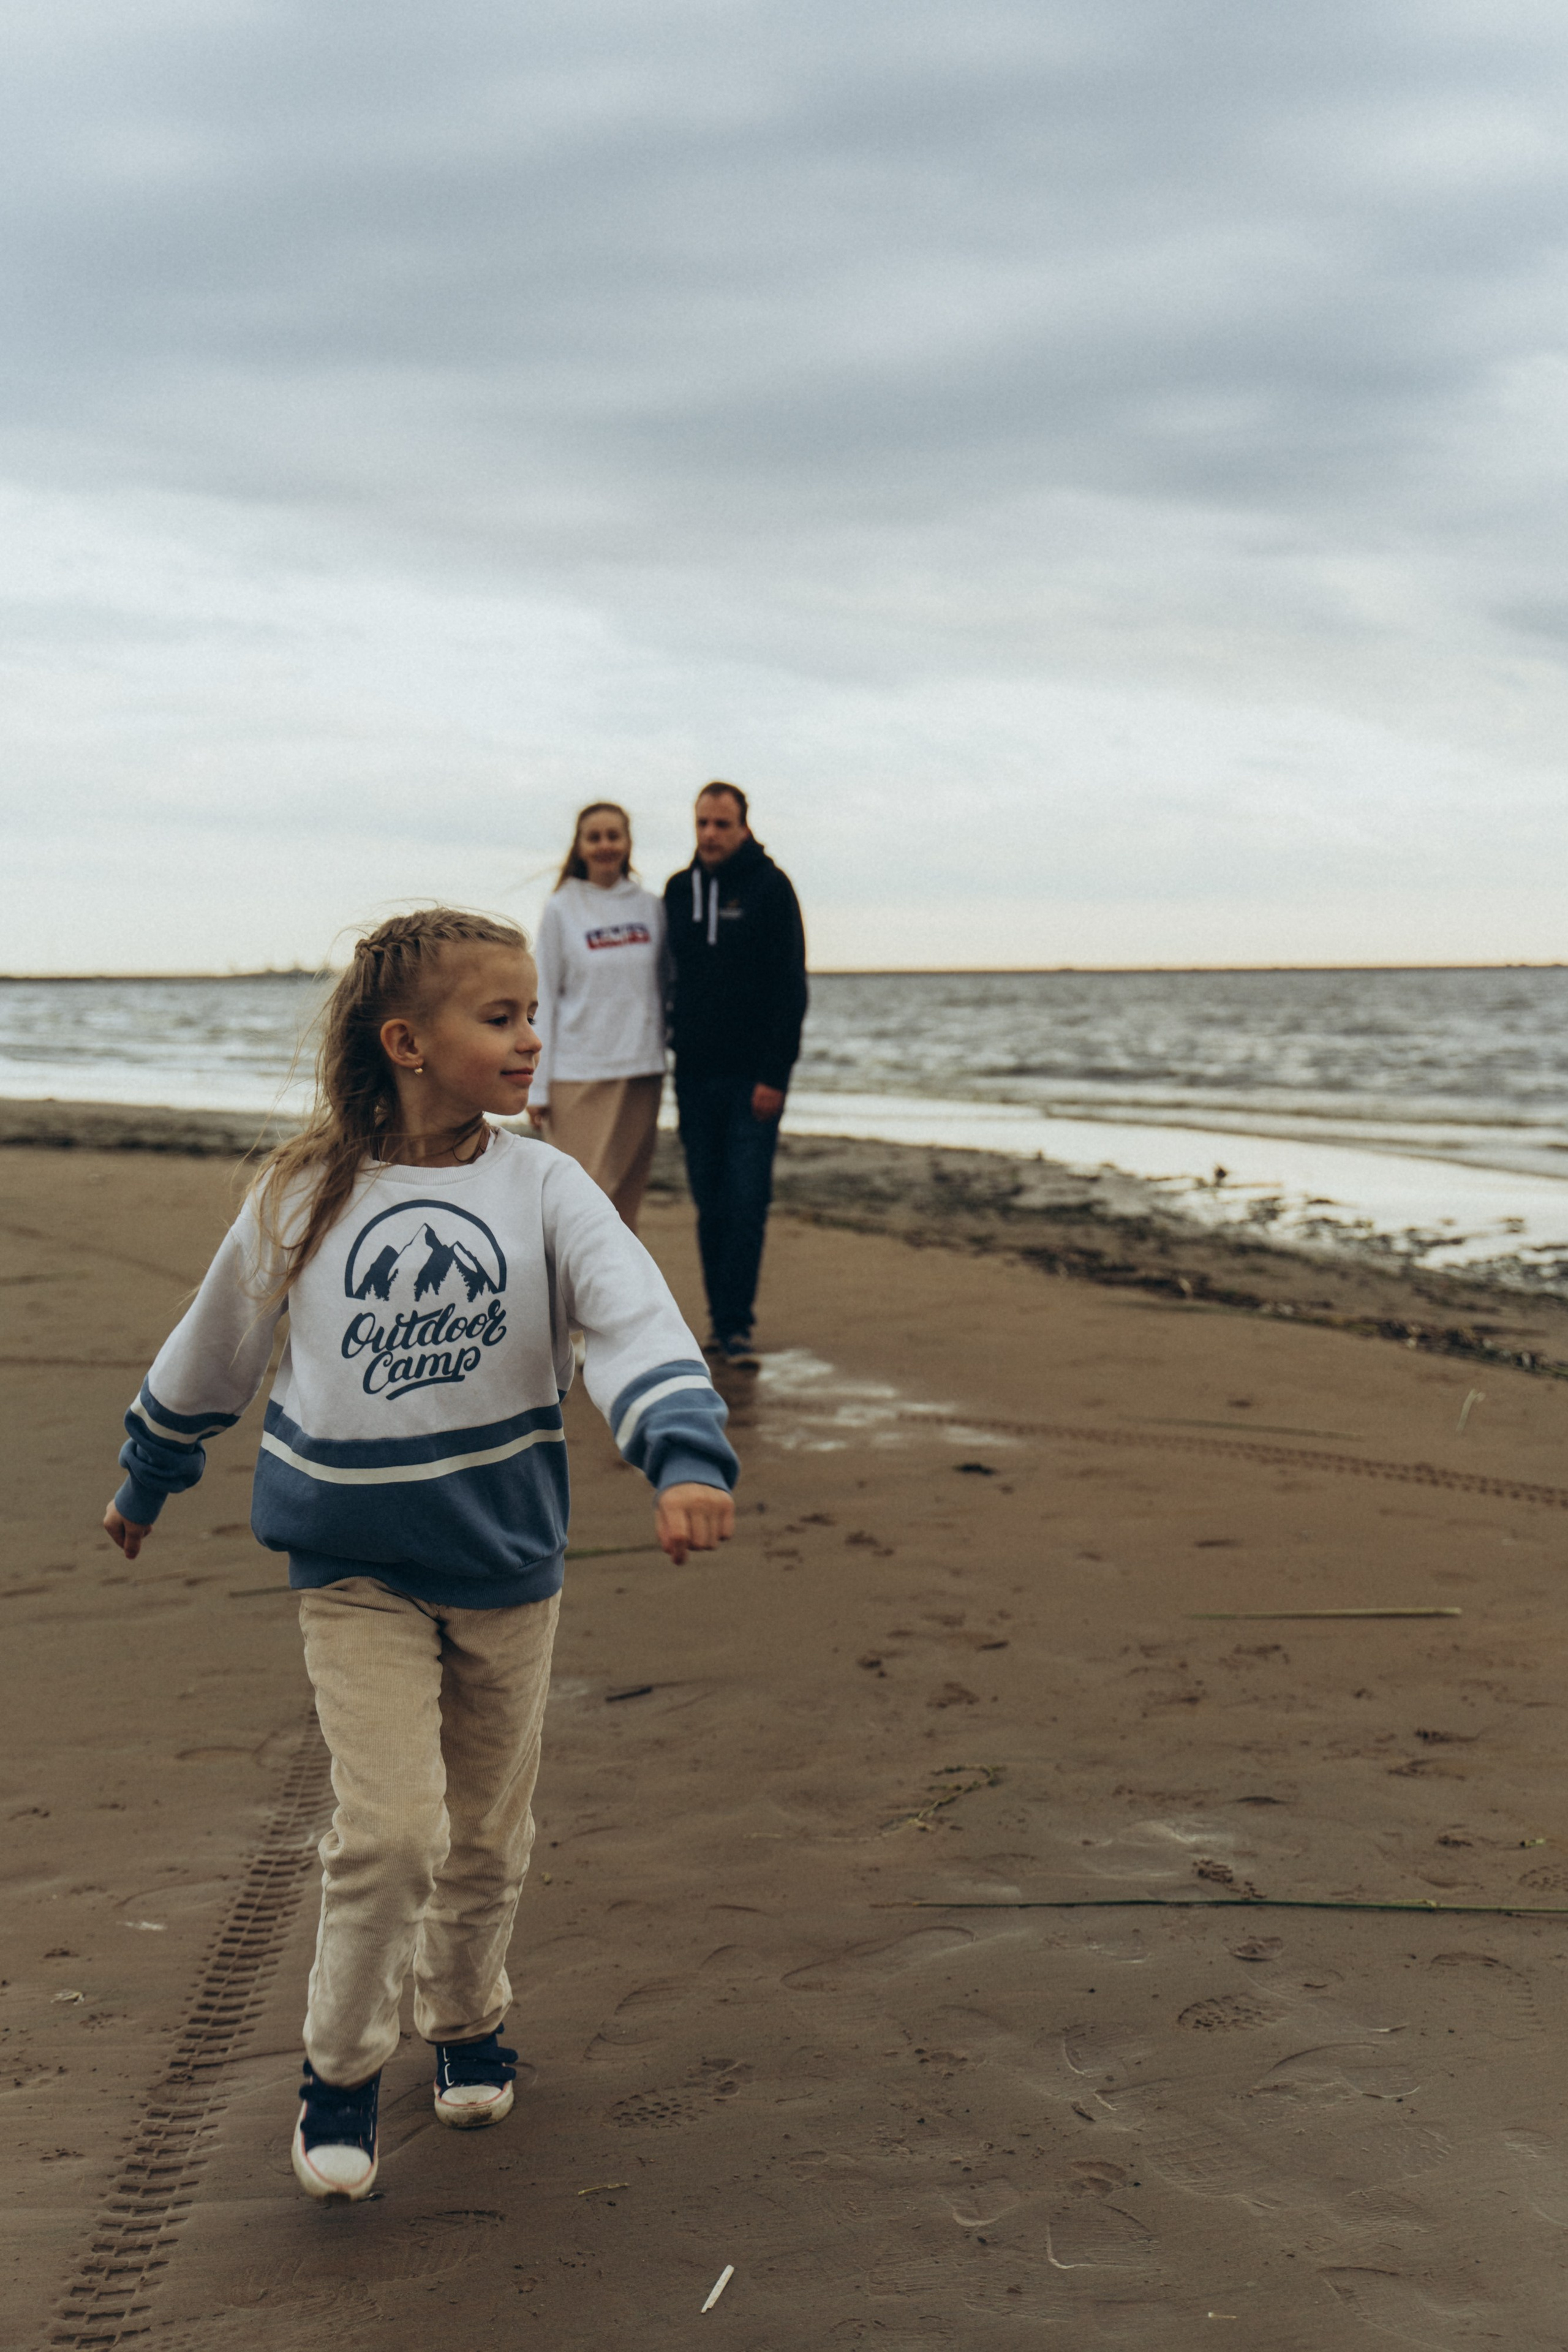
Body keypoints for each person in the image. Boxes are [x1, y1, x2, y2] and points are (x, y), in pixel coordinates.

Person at [100, 908, 736, 2203]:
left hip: (505, 1560)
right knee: (388, 1833)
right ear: (407, 1042)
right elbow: (212, 1348)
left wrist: (680, 1454)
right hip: (354, 1571)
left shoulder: (543, 1184)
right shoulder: (299, 1191)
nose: (528, 1037)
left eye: (530, 1014)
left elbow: (630, 1317)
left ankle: (465, 2018)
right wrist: (150, 1472)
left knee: (487, 1837)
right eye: (497, 1018)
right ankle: (339, 2070)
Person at [663, 782, 807, 1370]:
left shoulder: (771, 888)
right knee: (711, 1204)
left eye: (722, 824)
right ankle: (719, 1325)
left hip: (754, 1081)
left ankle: (737, 1328)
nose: (711, 835)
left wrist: (776, 1075)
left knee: (747, 1203)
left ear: (744, 827)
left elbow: (790, 989)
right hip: (693, 1077)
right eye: (702, 824)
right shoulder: (677, 892)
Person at [528, 802, 669, 1232]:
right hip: (578, 1076)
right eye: (595, 837)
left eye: (614, 836)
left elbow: (666, 986)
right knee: (582, 1207)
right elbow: (544, 997)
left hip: (641, 1073)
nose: (605, 845)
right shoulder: (562, 908)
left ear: (628, 844)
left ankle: (613, 1298)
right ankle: (563, 1299)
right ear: (581, 846)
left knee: (624, 1209)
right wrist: (537, 1085)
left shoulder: (651, 907)